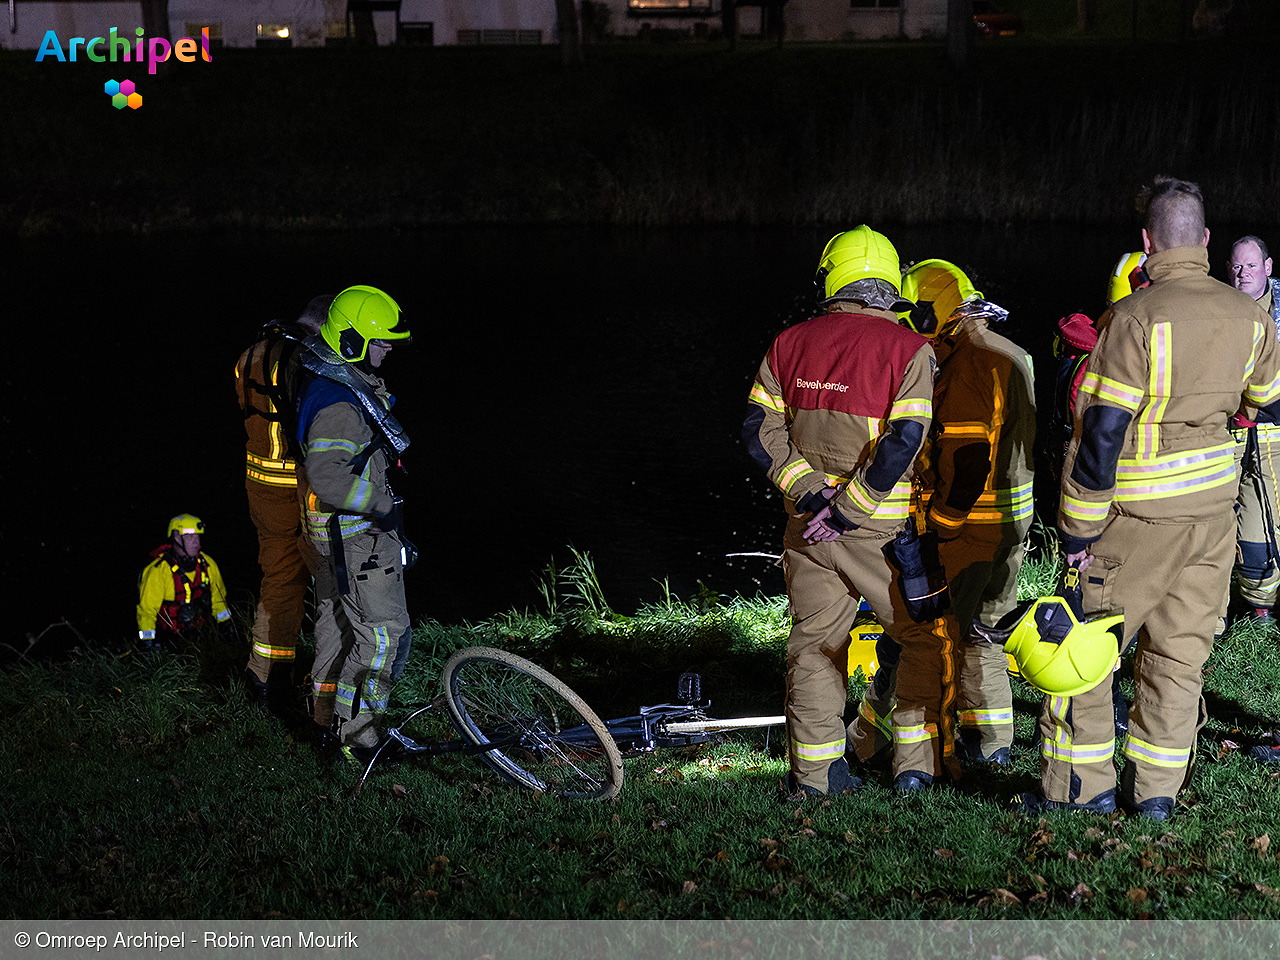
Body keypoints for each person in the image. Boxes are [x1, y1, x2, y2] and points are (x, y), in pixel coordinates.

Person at [1032, 176, 1280, 820]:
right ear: (1204, 240)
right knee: (1180, 655)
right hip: (1213, 518)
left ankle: (1081, 789)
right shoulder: (1251, 316)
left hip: (1135, 519)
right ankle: (1157, 797)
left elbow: (1102, 433)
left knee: (1085, 649)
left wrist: (1079, 530)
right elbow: (1265, 402)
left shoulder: (1133, 318)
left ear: (1146, 244)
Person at [743, 226, 936, 797]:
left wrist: (810, 496)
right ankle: (914, 769)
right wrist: (849, 509)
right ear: (889, 284)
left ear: (833, 278)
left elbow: (760, 431)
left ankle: (817, 776)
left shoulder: (789, 343)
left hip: (808, 528)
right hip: (879, 530)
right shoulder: (909, 349)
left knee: (813, 646)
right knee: (920, 638)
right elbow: (904, 441)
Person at [898, 259, 1036, 769]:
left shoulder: (967, 363)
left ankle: (941, 752)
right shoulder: (1010, 350)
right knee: (988, 632)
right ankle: (994, 746)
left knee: (945, 638)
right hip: (1013, 520)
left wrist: (942, 525)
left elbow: (968, 457)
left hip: (972, 525)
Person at [295, 285, 413, 762]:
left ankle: (323, 721)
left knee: (337, 625)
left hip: (327, 537)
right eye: (380, 342)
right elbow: (329, 477)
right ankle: (361, 737)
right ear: (349, 341)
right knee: (384, 633)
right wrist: (383, 506)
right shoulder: (340, 404)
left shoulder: (328, 375)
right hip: (356, 538)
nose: (388, 351)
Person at [234, 294, 330, 713]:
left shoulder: (250, 354)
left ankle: (264, 675)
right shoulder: (307, 358)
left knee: (278, 577)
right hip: (298, 483)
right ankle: (327, 688)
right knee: (329, 580)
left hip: (258, 480)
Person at [1226, 236, 1280, 625]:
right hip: (1230, 437)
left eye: (1250, 265)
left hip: (1274, 435)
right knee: (1248, 538)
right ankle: (1259, 615)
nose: (1242, 273)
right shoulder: (1218, 309)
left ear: (1268, 267)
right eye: (1235, 266)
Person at [136, 513, 231, 649]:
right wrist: (148, 643)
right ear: (176, 537)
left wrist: (227, 626)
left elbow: (219, 600)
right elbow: (147, 611)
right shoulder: (158, 570)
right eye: (190, 536)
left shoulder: (207, 564)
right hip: (169, 641)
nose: (196, 541)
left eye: (198, 536)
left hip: (201, 635)